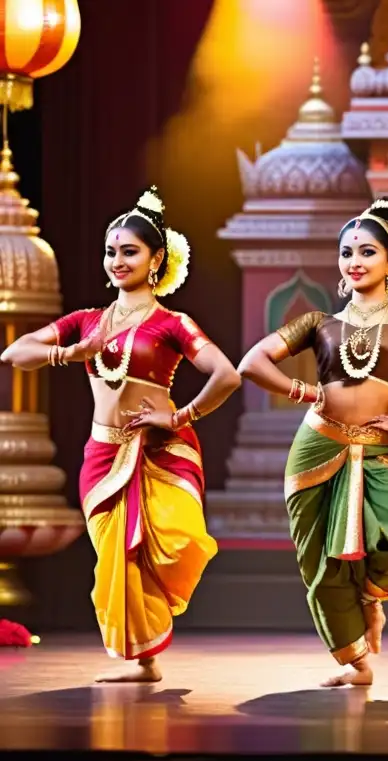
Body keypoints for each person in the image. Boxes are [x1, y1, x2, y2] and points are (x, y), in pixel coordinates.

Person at [0, 187, 240, 682]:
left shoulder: (172, 324)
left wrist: (178, 418)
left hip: (159, 452)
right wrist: (69, 353)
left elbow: (227, 375)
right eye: (111, 251)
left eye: (129, 251)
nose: (116, 260)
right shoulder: (86, 321)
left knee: (175, 542)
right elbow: (14, 353)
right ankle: (143, 660)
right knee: (116, 557)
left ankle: (147, 652)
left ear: (156, 260)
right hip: (102, 454)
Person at [237, 196, 388, 687]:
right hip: (316, 449)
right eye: (346, 252)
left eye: (367, 251)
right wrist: (303, 390)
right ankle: (356, 663)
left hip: (379, 449)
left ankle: (370, 596)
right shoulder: (318, 323)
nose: (355, 261)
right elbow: (253, 362)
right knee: (321, 562)